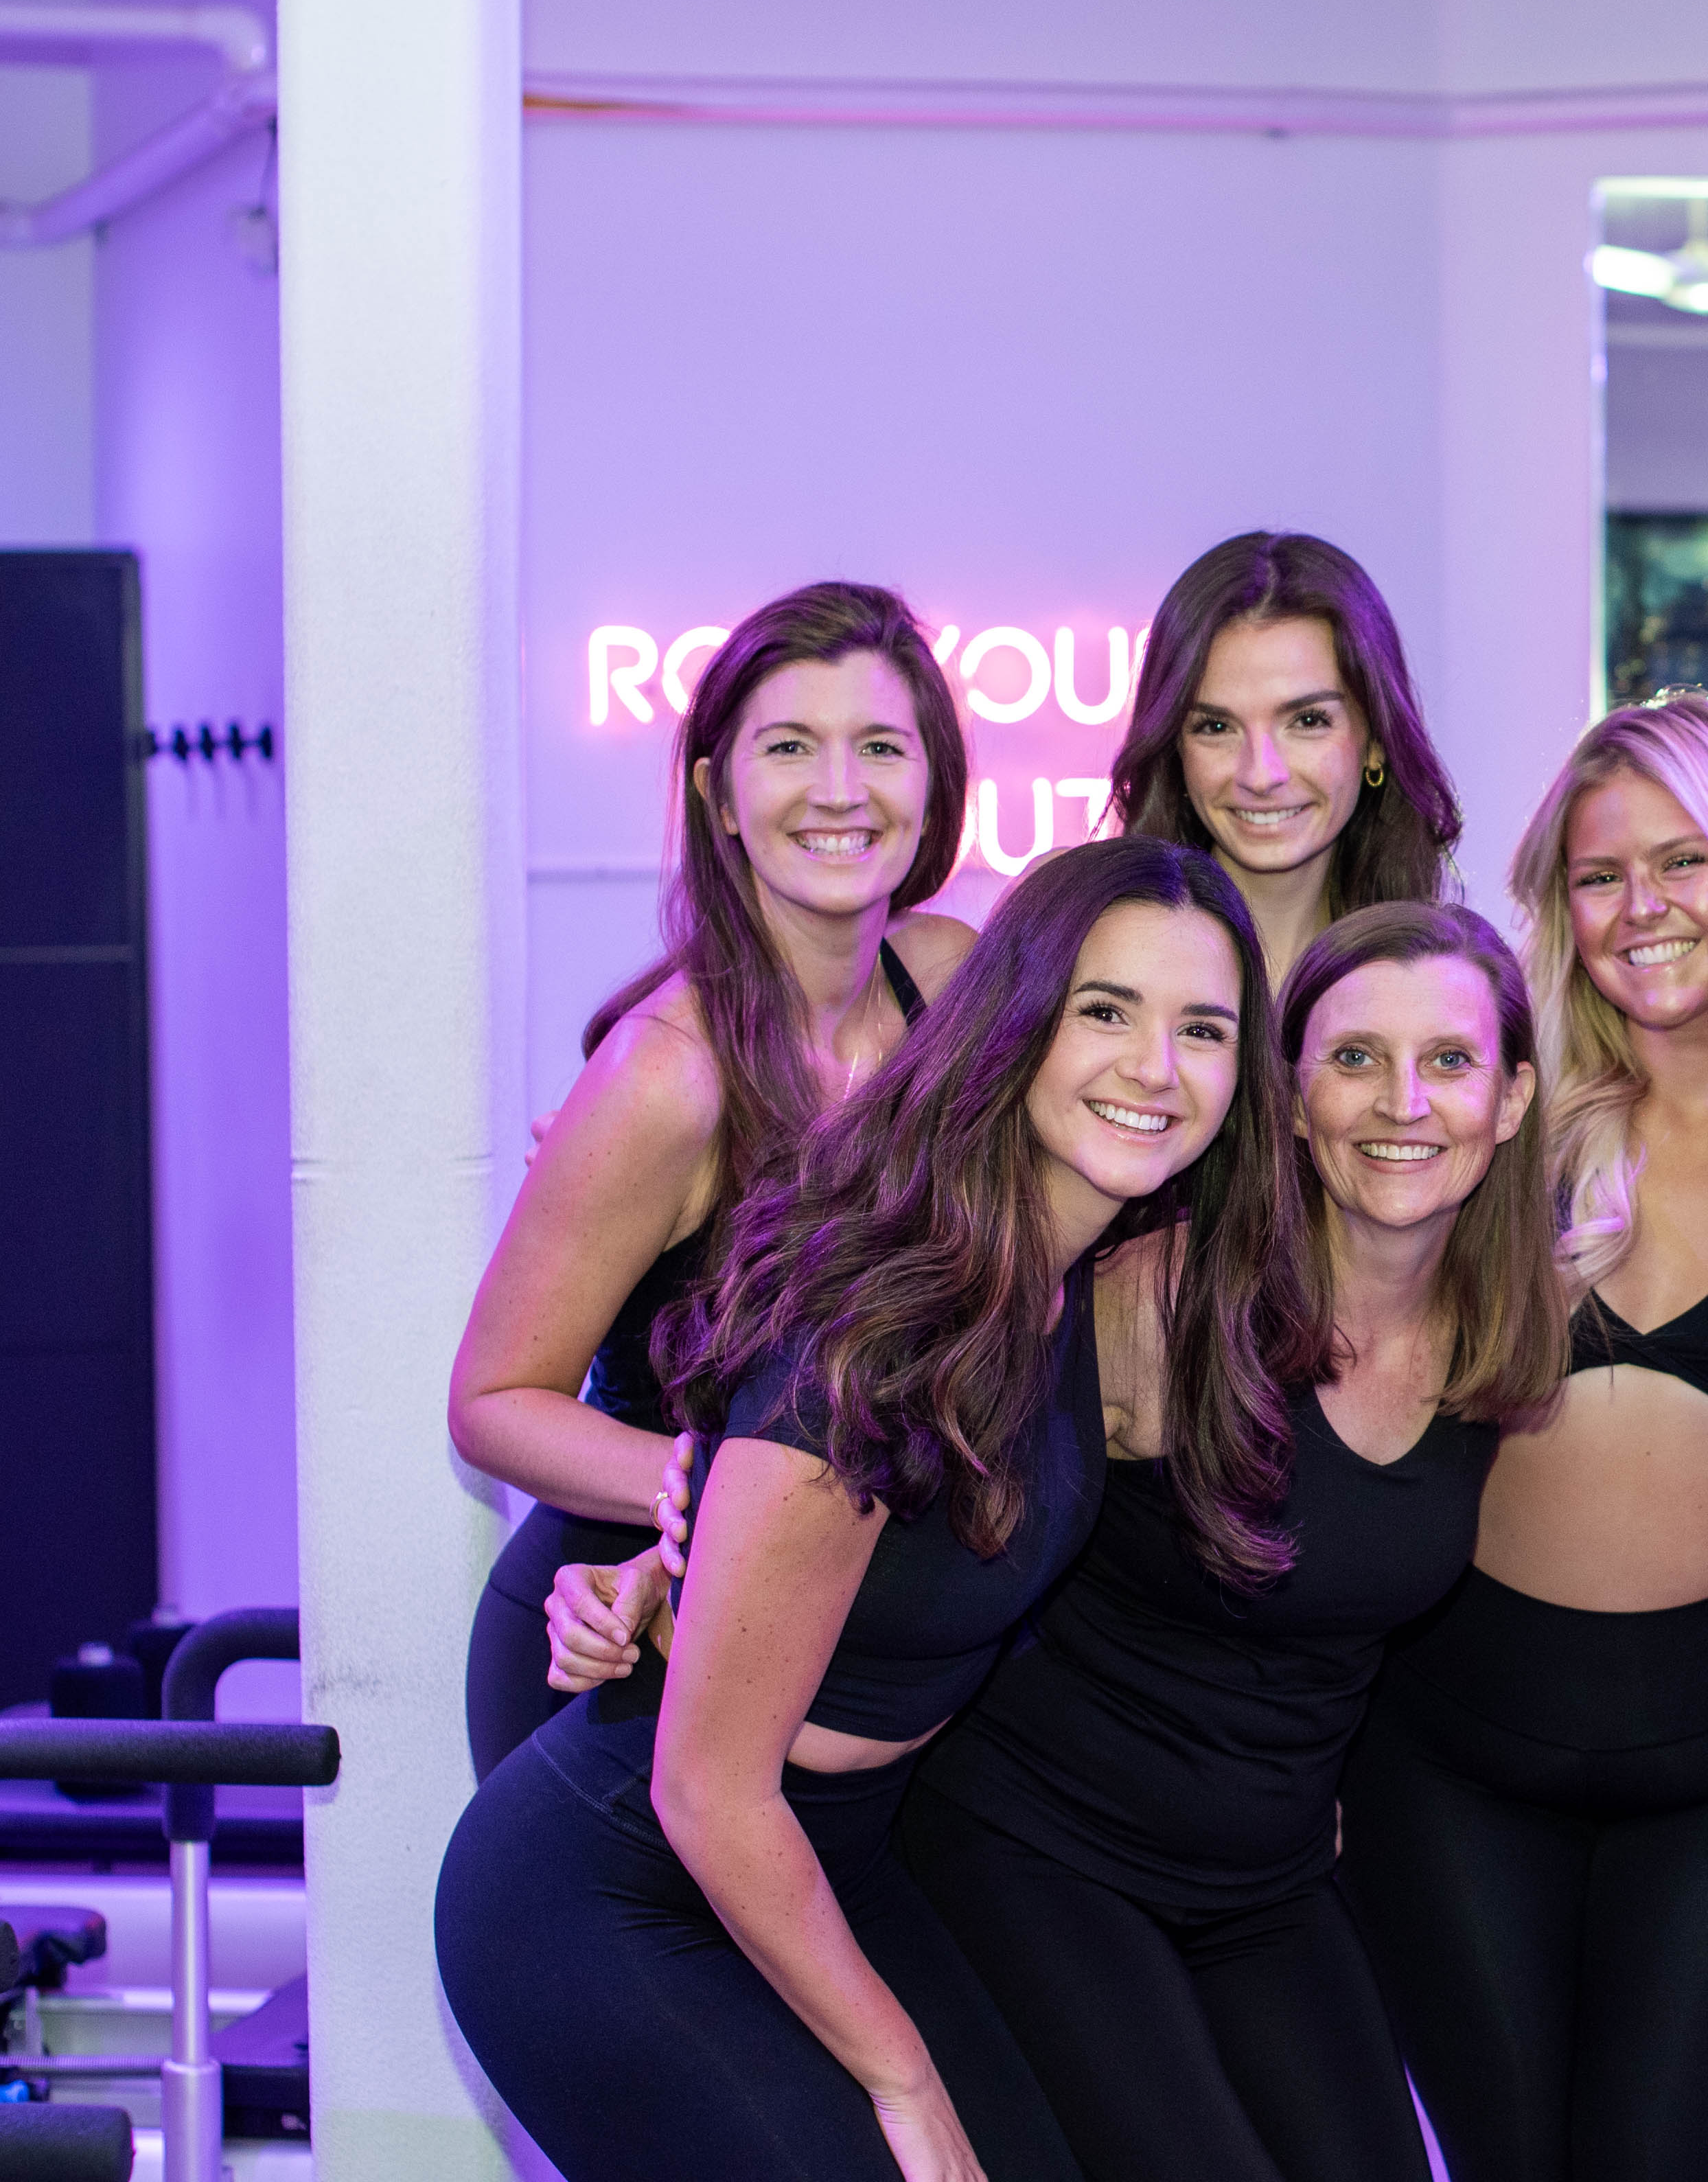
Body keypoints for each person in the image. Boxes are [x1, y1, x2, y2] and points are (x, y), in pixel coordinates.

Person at [564, 901, 1563, 2182]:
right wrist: (673, 1557)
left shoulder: (1513, 1331)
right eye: (1354, 1057)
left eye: (1450, 1061)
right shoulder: (1154, 1295)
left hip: (1263, 1886)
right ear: (1290, 1095)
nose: (1401, 1102)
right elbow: (889, 1440)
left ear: (1514, 1095)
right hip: (1045, 1849)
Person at [436, 837, 1311, 2182]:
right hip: (622, 1887)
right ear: (1014, 1024)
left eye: (1202, 1029)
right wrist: (901, 2079)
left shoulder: (1076, 1280)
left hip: (829, 1854)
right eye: (1105, 1012)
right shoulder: (880, 1331)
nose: (1155, 1068)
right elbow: (707, 1786)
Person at [1337, 693, 1708, 2182]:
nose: (1640, 908)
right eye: (1599, 876)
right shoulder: (1489, 1113)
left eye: (1681, 861)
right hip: (1452, 1743)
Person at [446, 581, 973, 1778]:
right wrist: (699, 1482)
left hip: (830, 1628)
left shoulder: (947, 989)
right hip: (621, 1644)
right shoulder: (665, 1076)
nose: (839, 789)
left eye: (880, 746)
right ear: (714, 793)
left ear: (932, 779)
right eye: (788, 747)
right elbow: (490, 1400)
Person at [1108, 531, 1461, 988]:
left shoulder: (1443, 986)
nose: (1260, 774)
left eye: (1309, 721)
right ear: (1174, 748)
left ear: (1376, 740)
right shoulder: (1080, 933)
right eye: (1216, 728)